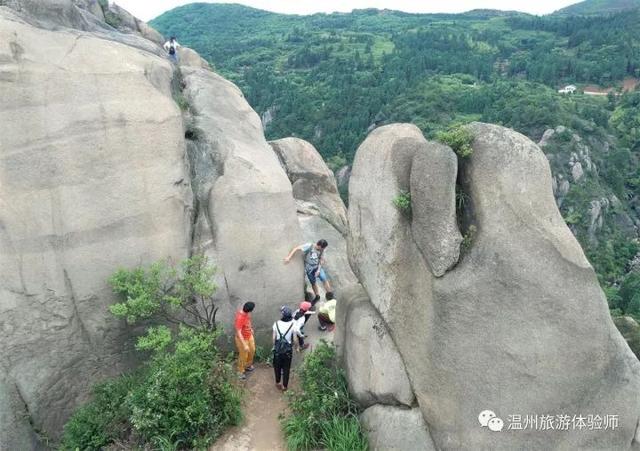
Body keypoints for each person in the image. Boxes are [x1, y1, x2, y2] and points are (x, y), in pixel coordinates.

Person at [273, 306, 299, 391]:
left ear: (283, 315)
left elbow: (274, 338)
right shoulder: (293, 324)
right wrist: (297, 347)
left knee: (277, 366)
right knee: (286, 368)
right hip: (287, 350)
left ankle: (278, 382)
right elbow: (295, 339)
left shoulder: (276, 324)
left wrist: (274, 346)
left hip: (277, 350)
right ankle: (284, 386)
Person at [235, 301, 256, 380]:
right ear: (250, 310)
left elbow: (248, 322)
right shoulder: (240, 318)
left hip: (249, 335)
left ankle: (247, 365)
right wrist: (244, 344)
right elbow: (238, 332)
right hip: (242, 339)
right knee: (243, 355)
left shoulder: (246, 313)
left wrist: (250, 329)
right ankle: (240, 371)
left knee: (252, 350)